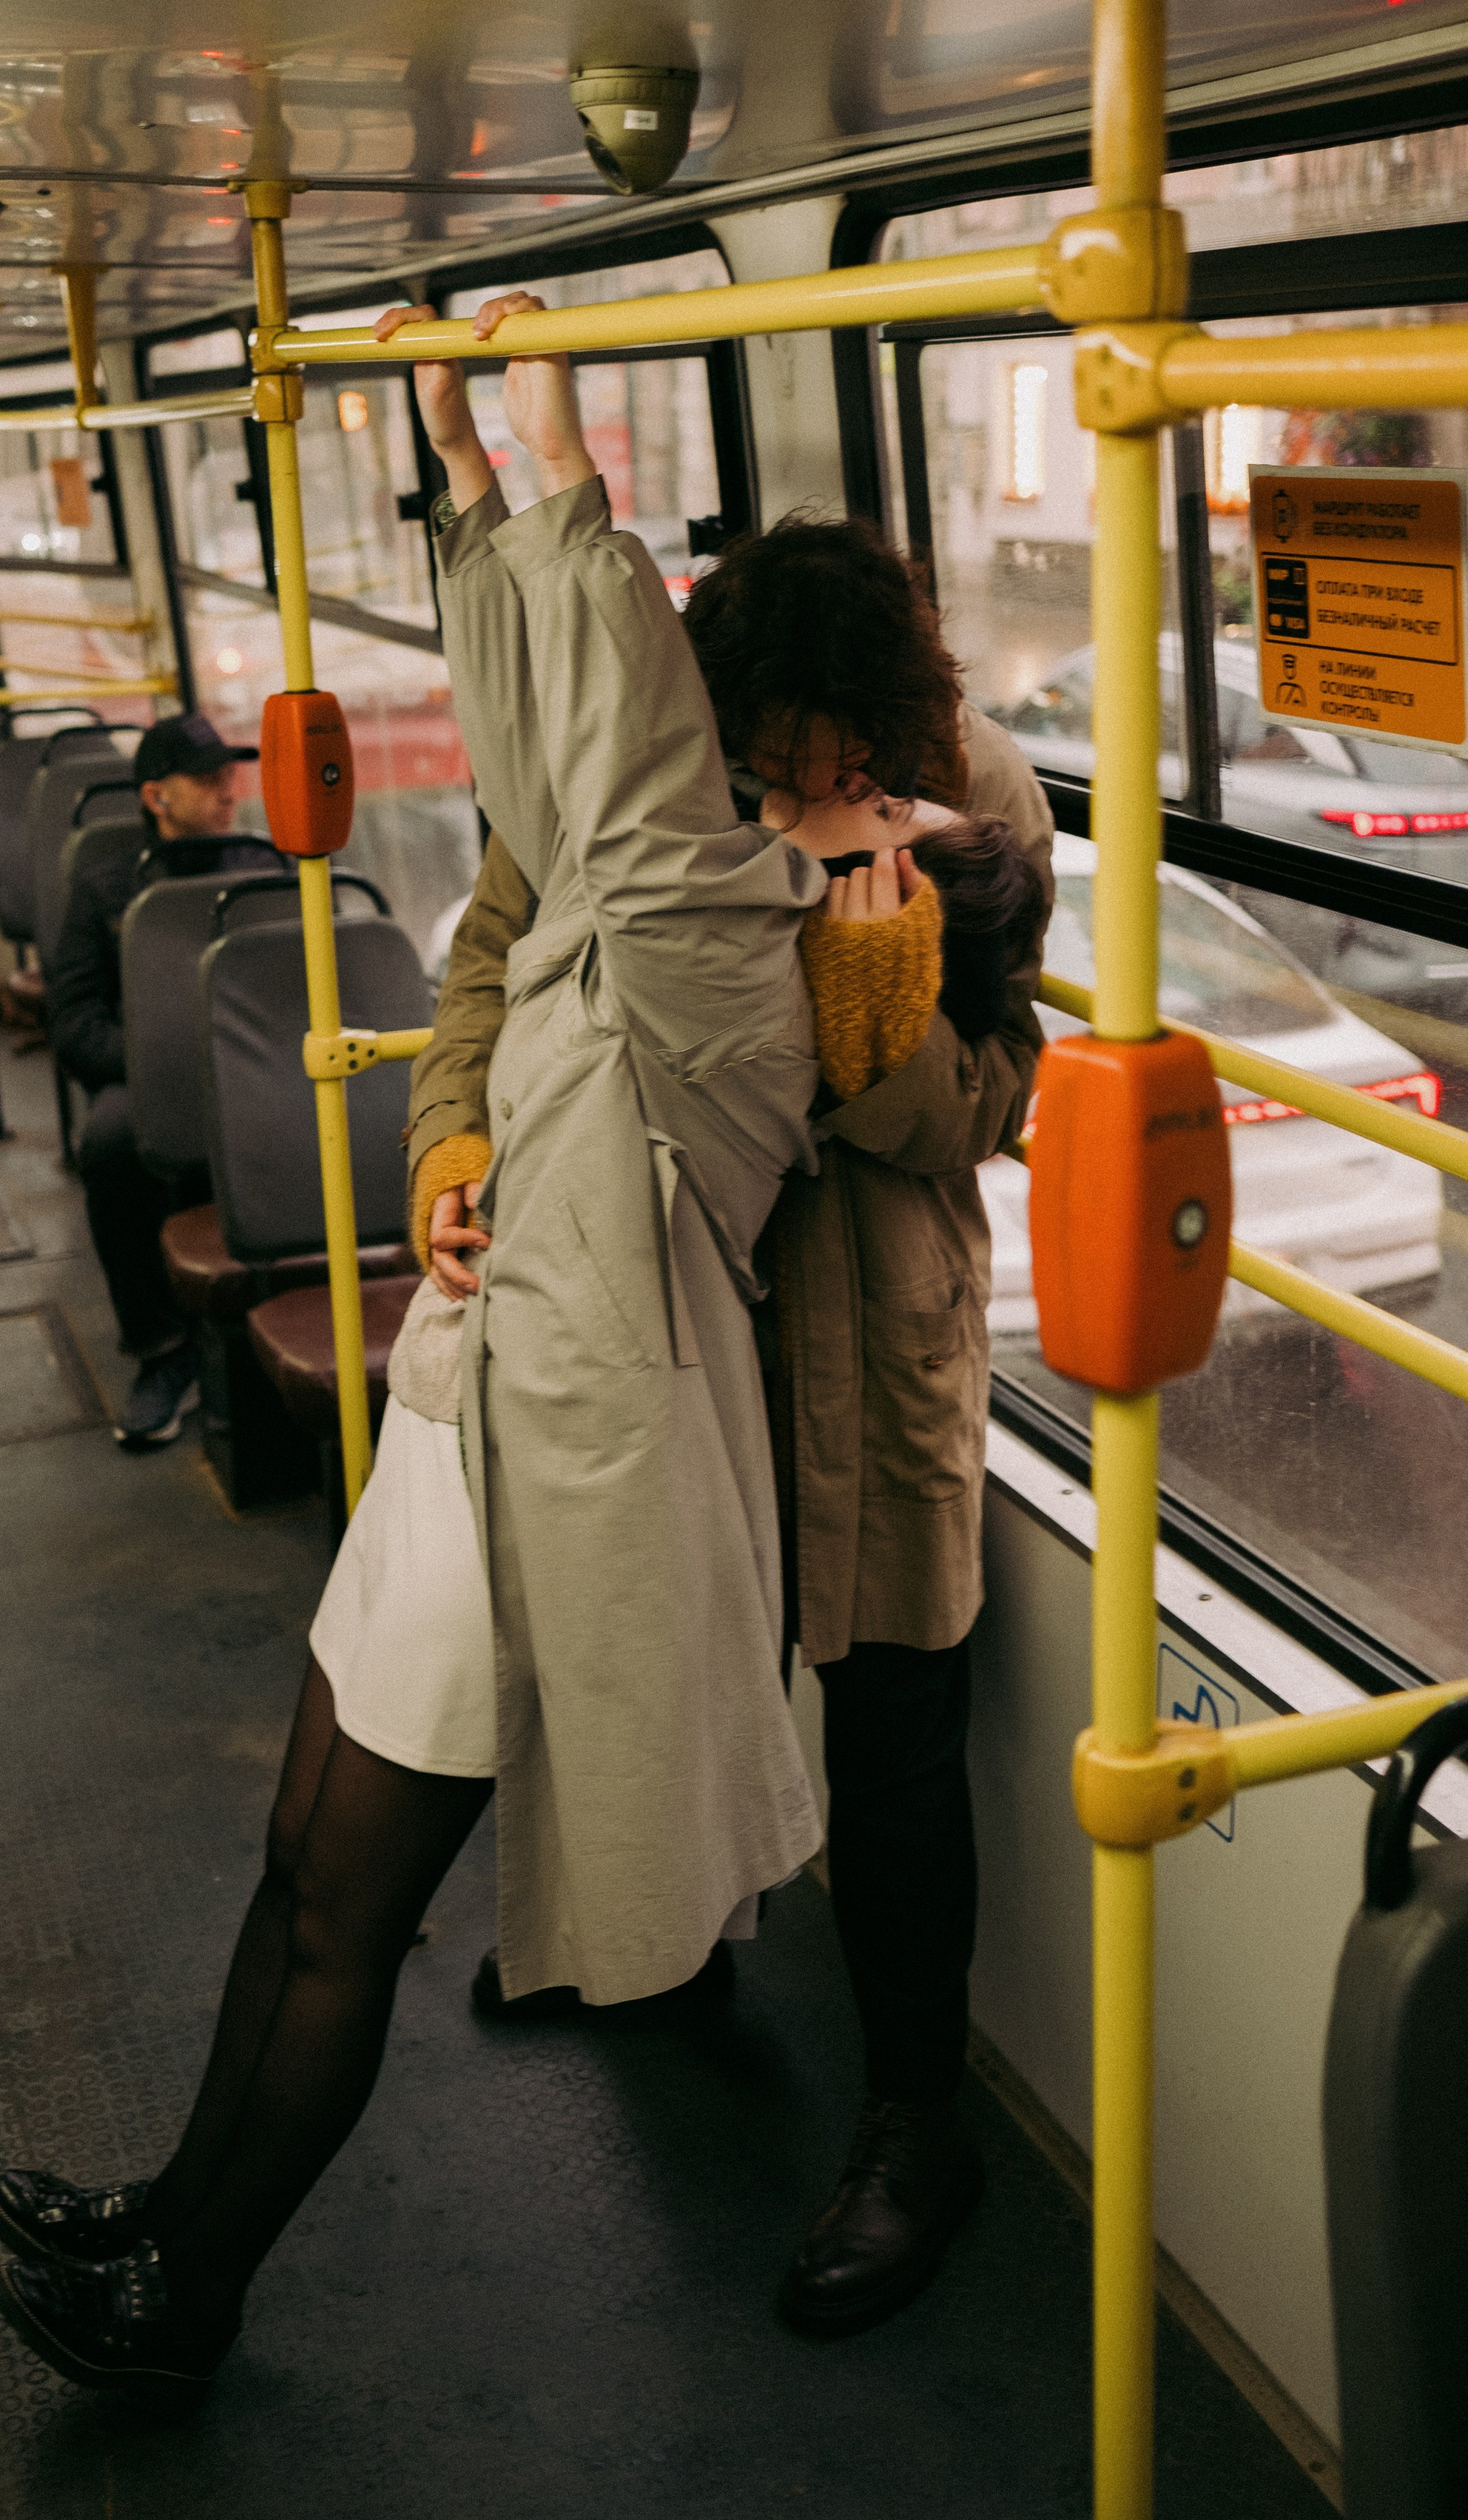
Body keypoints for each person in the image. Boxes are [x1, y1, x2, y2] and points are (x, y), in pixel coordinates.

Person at [0, 295, 836, 2404]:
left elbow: (616, 783)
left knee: (349, 1910)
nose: (721, 771)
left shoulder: (735, 953)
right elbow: (558, 772)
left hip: (545, 1492)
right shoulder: (622, 905)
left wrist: (559, 475)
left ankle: (192, 2304)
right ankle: (169, 2214)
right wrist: (457, 480)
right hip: (460, 1428)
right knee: (291, 1873)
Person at [413, 511, 1054, 2339]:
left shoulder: (978, 799)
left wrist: (863, 1037)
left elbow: (987, 1106)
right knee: (640, 1632)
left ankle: (913, 2123)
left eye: (843, 766)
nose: (807, 796)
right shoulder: (629, 775)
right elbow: (490, 957)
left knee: (893, 1727)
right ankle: (658, 1928)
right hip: (655, 1295)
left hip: (871, 1325)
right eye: (769, 767)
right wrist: (454, 1136)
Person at [47, 710, 281, 1449]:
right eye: (207, 780)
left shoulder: (265, 875)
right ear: (157, 797)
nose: (227, 792)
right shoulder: (104, 888)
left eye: (230, 777)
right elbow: (77, 1022)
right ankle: (160, 1348)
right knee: (112, 1145)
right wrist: (159, 1068)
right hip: (143, 1076)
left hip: (253, 1066)